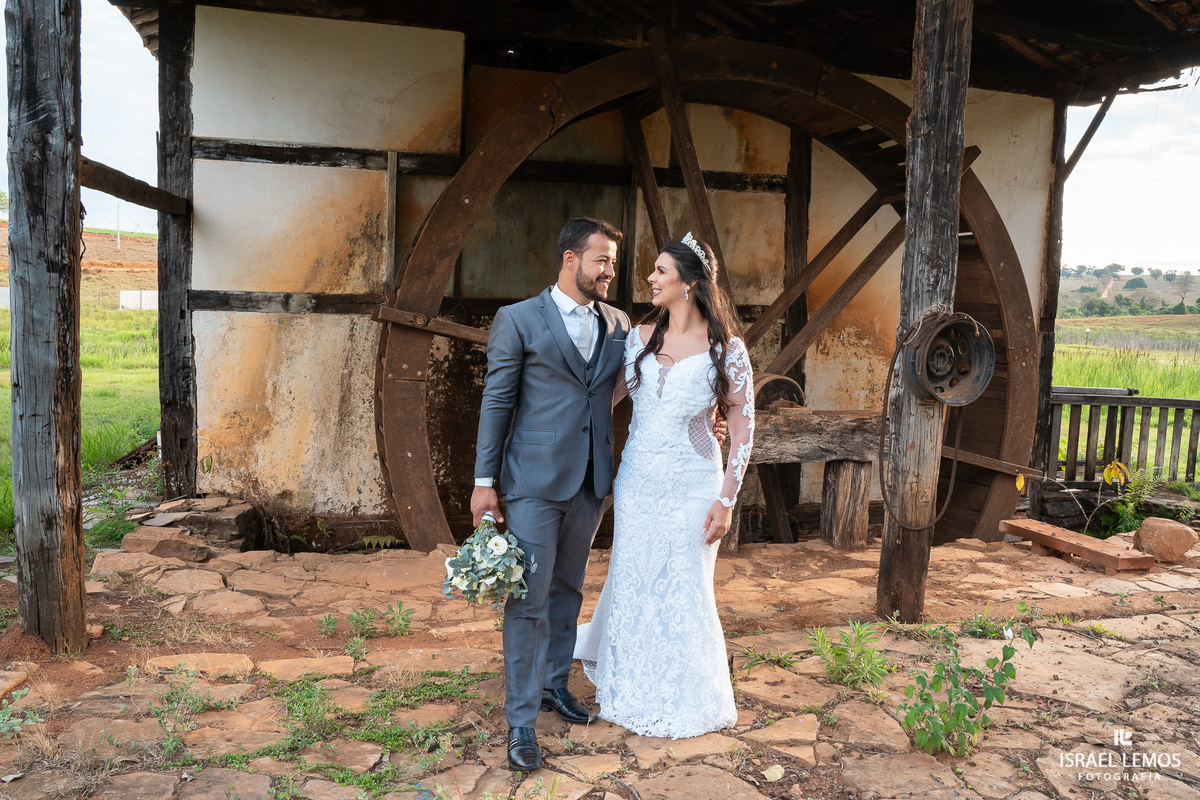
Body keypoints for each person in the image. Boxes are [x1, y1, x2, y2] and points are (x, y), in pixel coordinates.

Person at [574, 232, 754, 739]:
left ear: (690, 283)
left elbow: (742, 429)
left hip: (694, 484)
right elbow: (602, 402)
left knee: (684, 582)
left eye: (660, 271)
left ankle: (686, 690)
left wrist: (726, 499)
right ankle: (631, 679)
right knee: (634, 576)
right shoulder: (638, 339)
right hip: (637, 481)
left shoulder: (727, 351)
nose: (650, 279)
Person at [471, 217, 631, 771]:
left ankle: (553, 686)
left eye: (613, 261)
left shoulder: (618, 323)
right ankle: (520, 722)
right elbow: (497, 402)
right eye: (602, 260)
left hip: (590, 482)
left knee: (568, 589)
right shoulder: (517, 319)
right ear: (570, 259)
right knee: (527, 599)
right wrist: (483, 482)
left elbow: (607, 393)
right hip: (532, 482)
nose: (611, 270)